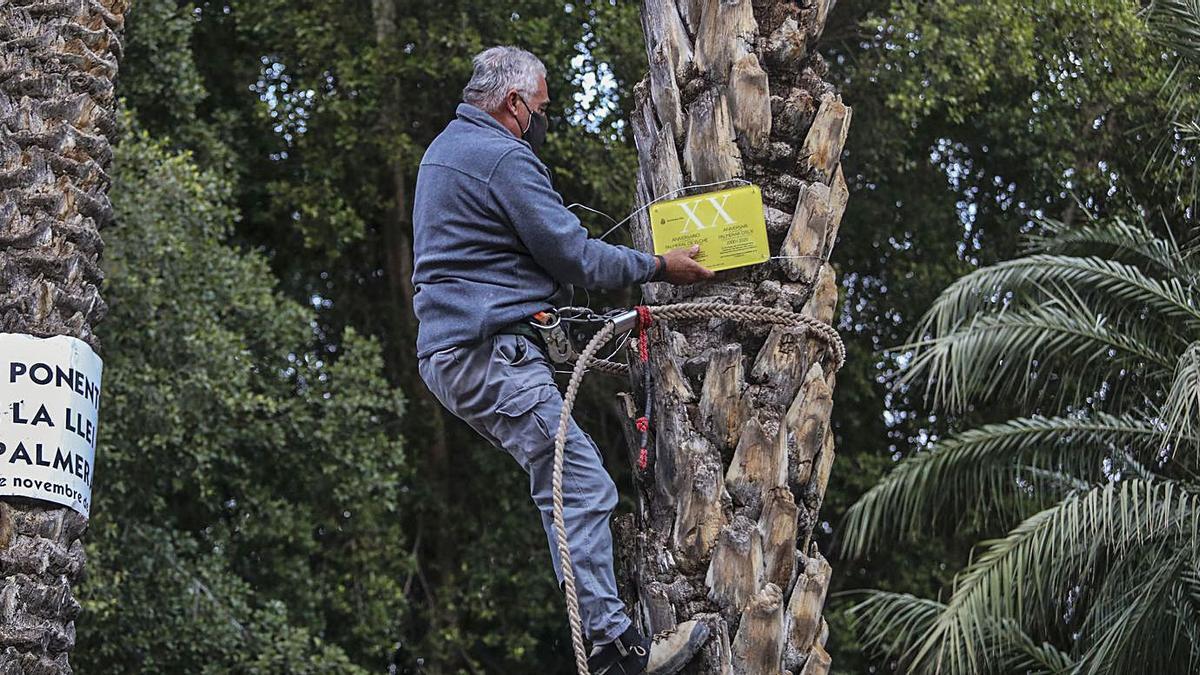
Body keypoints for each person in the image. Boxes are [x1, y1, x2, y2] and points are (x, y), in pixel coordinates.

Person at [412, 45, 712, 674]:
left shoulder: (446, 150)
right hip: (488, 355)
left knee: (564, 486)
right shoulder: (498, 157)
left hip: (462, 355)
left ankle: (607, 640)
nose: (542, 121)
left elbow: (496, 265)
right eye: (541, 108)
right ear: (513, 102)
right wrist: (660, 266)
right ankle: (613, 650)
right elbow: (574, 256)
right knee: (578, 485)